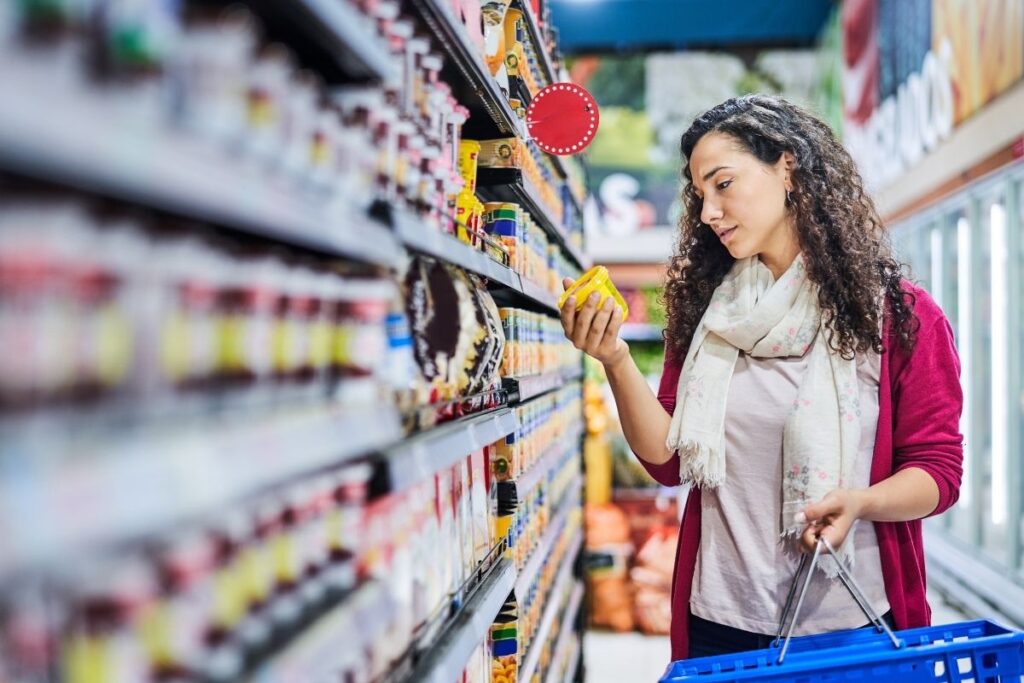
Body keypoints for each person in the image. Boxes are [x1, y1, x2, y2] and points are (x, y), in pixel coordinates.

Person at [559, 95, 964, 661]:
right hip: (719, 623)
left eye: (723, 184)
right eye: (700, 195)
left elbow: (938, 473)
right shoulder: (710, 318)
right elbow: (669, 460)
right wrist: (615, 358)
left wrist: (861, 503)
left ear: (787, 166)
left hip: (854, 628)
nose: (708, 212)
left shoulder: (900, 318)